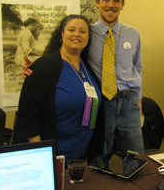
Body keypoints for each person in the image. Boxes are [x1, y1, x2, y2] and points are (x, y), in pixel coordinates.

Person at [22, 0, 144, 157]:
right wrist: (35, 68)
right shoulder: (88, 33)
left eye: (116, 0)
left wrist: (138, 104)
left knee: (135, 154)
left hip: (129, 101)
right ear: (97, 2)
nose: (111, 5)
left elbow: (138, 69)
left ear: (122, 4)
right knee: (102, 154)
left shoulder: (134, 34)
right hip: (102, 102)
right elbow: (64, 56)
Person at [13, 14, 105, 164]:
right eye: (71, 30)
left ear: (88, 38)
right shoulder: (44, 66)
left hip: (81, 157)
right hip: (52, 158)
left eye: (82, 31)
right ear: (62, 34)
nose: (77, 34)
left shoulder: (87, 67)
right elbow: (29, 114)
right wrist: (41, 156)